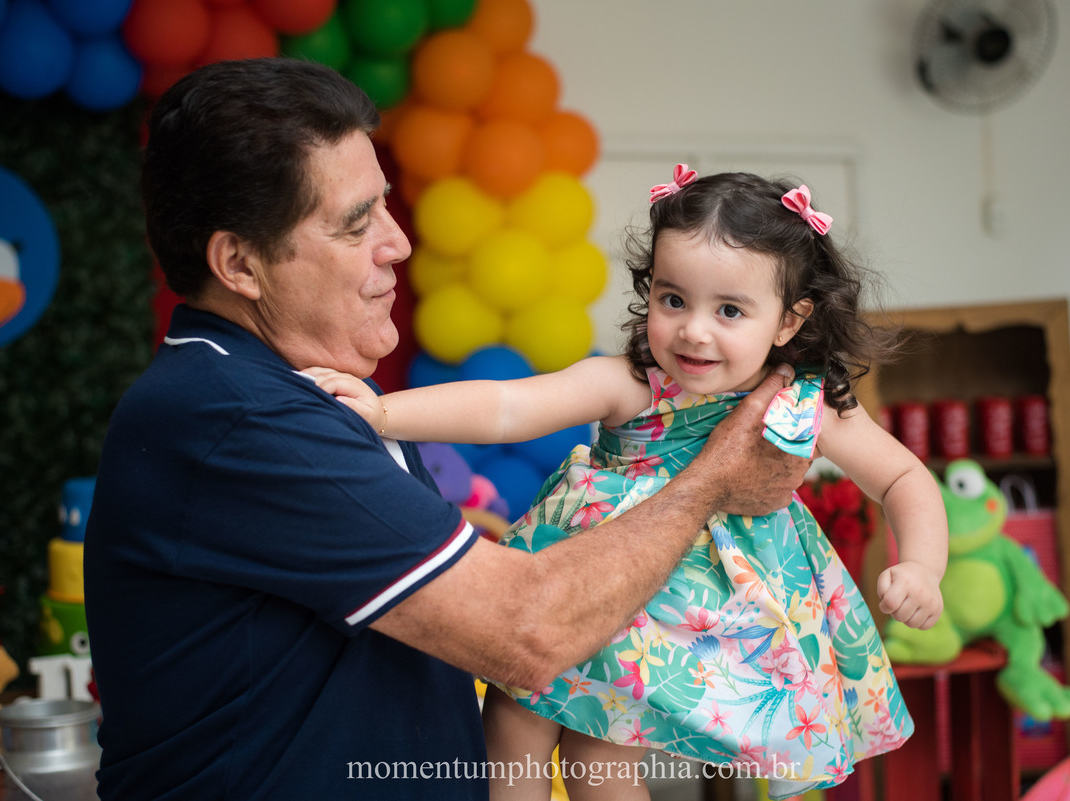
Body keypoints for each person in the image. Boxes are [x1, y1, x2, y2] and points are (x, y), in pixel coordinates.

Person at [81, 60, 809, 801]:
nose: (397, 243)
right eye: (356, 223)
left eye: (386, 209)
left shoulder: (294, 389)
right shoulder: (239, 414)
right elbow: (528, 631)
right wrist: (710, 478)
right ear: (239, 263)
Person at [306, 166, 948, 800]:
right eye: (674, 300)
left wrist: (921, 565)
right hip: (589, 575)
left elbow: (901, 477)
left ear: (788, 321)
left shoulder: (804, 402)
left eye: (729, 310)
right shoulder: (631, 382)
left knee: (599, 753)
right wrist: (385, 411)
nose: (694, 329)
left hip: (688, 614)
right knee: (512, 717)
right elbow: (508, 406)